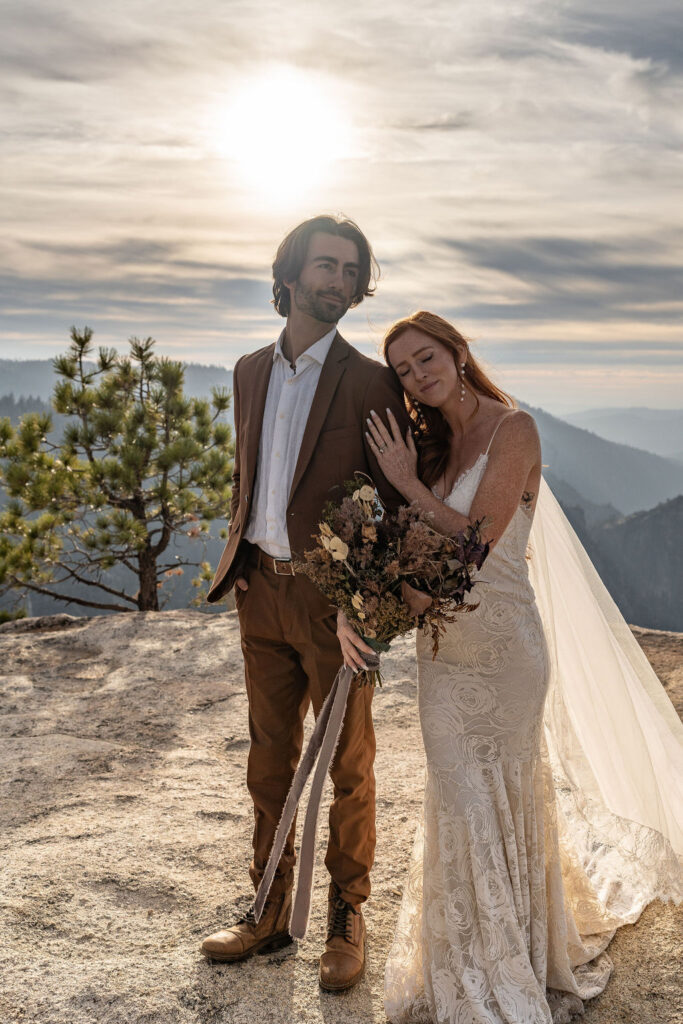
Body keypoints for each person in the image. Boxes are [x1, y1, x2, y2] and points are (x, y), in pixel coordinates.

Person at [344, 310, 683, 1023]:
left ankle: (507, 956)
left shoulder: (513, 428)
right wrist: (370, 591)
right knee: (457, 798)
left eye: (426, 357)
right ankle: (463, 957)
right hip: (443, 653)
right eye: (403, 369)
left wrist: (404, 481)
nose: (417, 375)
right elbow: (415, 543)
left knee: (499, 793)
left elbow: (474, 542)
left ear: (458, 353)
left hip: (504, 653)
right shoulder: (432, 445)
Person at [200, 215, 409, 992]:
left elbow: (391, 504)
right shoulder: (249, 368)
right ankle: (264, 908)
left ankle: (345, 918)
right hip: (260, 598)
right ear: (289, 274)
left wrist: (365, 606)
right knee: (268, 762)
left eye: (351, 272)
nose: (338, 282)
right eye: (326, 266)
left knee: (349, 767)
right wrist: (243, 557)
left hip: (335, 610)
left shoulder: (367, 380)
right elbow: (246, 471)